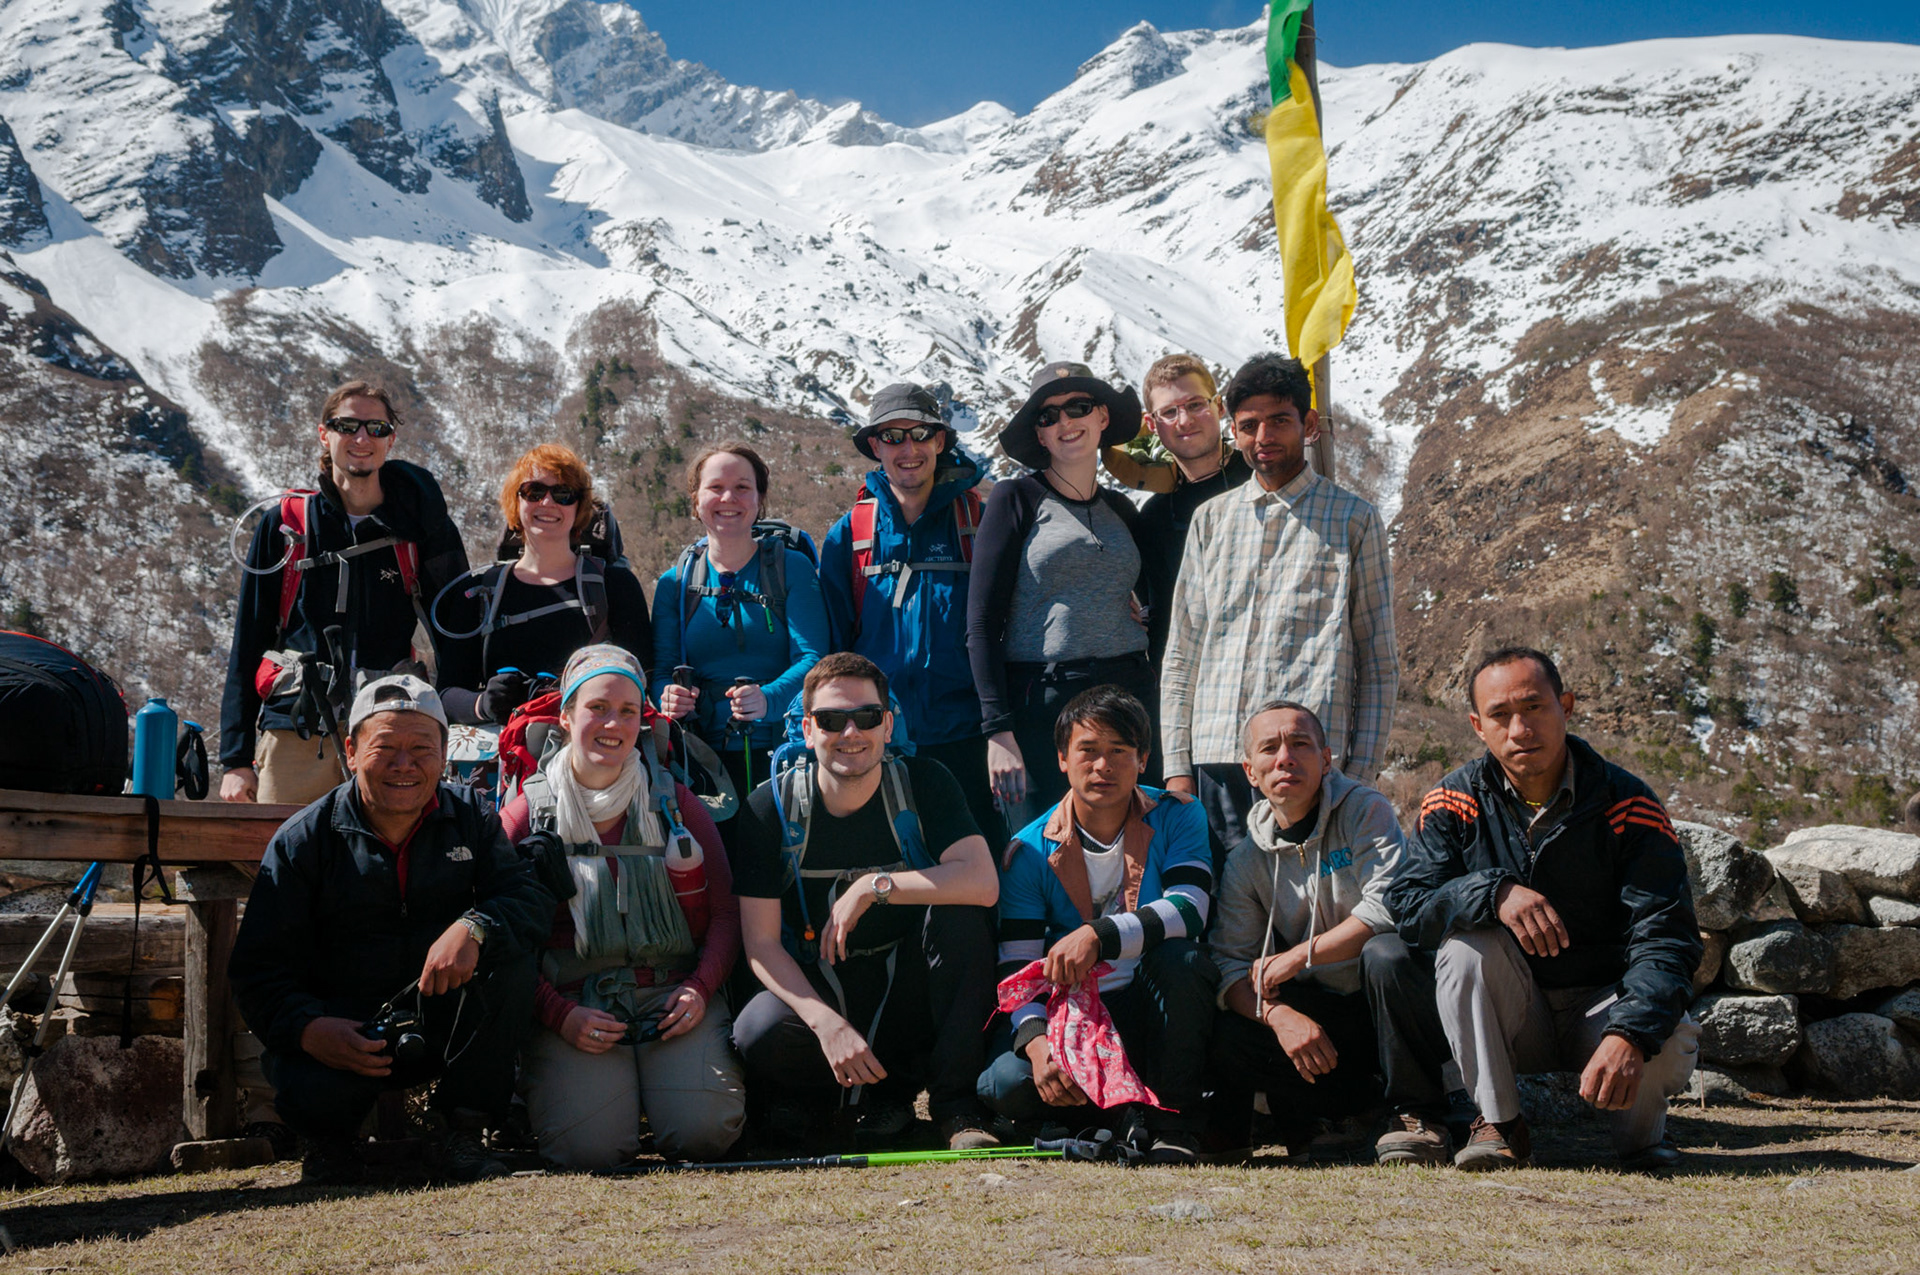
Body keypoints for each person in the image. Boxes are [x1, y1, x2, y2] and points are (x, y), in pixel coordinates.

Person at [1386, 647, 1701, 1172]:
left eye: (1534, 707)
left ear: (1567, 707)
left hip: (1602, 1007)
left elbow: (1666, 935)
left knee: (1664, 1028)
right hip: (1514, 1014)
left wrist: (1630, 1031)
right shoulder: (1452, 802)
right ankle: (1501, 1127)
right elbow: (1409, 908)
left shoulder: (1628, 804)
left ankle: (1641, 1138)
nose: (1519, 728)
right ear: (1477, 726)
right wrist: (1493, 892)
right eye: (1500, 715)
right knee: (1467, 950)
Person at [227, 675, 551, 1184]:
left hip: (440, 1017)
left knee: (509, 959)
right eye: (386, 749)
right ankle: (330, 1143)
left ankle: (463, 1132)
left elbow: (528, 900)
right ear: (352, 752)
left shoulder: (471, 817)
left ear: (444, 755)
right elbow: (257, 971)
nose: (405, 765)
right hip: (343, 1031)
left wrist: (475, 926)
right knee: (311, 1090)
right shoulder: (303, 841)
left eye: (421, 749)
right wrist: (310, 1030)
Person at [729, 652, 1001, 1150]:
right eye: (833, 720)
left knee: (962, 916)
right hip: (818, 992)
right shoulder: (771, 807)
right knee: (758, 1028)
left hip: (905, 994)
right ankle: (816, 1104)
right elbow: (760, 944)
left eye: (867, 717)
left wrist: (873, 886)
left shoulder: (926, 783)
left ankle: (953, 1109)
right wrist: (826, 1024)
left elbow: (983, 882)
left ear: (889, 725)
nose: (851, 733)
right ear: (808, 730)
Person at [496, 645, 744, 1167]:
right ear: (565, 716)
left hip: (671, 998)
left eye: (628, 711)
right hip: (575, 1002)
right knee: (590, 1150)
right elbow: (504, 939)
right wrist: (559, 1015)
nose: (613, 723)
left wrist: (700, 991)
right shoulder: (528, 814)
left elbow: (724, 913)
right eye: (597, 708)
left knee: (705, 1136)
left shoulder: (675, 803)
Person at [1160, 353, 1398, 855]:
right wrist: (1178, 771)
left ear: (1309, 425)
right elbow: (1183, 653)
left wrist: (1358, 775)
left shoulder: (1353, 521)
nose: (1263, 436)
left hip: (1307, 767)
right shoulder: (1210, 522)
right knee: (1224, 918)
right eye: (1249, 425)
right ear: (1233, 430)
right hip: (1219, 759)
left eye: (1279, 421)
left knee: (1303, 918)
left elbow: (1377, 661)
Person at [1206, 700, 1454, 1164]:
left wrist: (1299, 956)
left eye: (1300, 744)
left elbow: (1389, 906)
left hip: (1385, 1004)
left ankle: (1418, 1115)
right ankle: (1337, 1118)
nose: (1285, 758)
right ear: (1250, 771)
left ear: (1325, 760)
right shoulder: (1246, 860)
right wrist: (1280, 1017)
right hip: (1322, 1015)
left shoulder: (1366, 810)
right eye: (1269, 749)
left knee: (1388, 953)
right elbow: (1230, 964)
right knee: (1232, 1032)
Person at [977, 685, 1216, 1164]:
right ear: (1063, 759)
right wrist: (1038, 1045)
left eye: (1119, 751)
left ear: (1143, 758)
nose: (1102, 766)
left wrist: (1098, 935)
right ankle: (1112, 1113)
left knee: (1184, 959)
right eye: (1088, 750)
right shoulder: (1027, 851)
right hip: (1075, 1014)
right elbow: (1018, 966)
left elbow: (1191, 909)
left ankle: (1174, 1126)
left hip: (1151, 1005)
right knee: (1006, 1081)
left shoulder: (1180, 815)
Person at [220, 381, 469, 807]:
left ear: (391, 439)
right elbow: (249, 640)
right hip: (294, 728)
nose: (361, 438)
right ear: (324, 434)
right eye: (347, 425)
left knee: (384, 867)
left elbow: (457, 633)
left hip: (390, 733)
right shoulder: (286, 525)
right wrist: (235, 759)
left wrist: (451, 731)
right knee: (280, 860)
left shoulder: (418, 528)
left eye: (375, 427)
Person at [966, 361, 1153, 830]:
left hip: (1130, 693)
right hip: (1044, 702)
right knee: (1045, 845)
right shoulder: (1016, 498)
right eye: (1049, 417)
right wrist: (998, 731)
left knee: (1133, 840)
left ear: (1103, 418)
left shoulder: (1123, 509)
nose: (1066, 422)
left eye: (1079, 407)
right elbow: (982, 623)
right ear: (1041, 437)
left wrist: (1149, 610)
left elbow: (1152, 589)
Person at [819, 383, 1004, 849]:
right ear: (876, 446)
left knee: (974, 875)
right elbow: (833, 650)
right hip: (879, 741)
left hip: (968, 740)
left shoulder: (978, 521)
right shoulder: (851, 534)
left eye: (920, 433)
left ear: (940, 441)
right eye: (893, 436)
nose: (908, 449)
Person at [652, 443, 828, 800]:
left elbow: (814, 660)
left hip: (784, 749)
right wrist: (665, 697)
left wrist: (768, 699)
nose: (728, 497)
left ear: (759, 499)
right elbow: (660, 671)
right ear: (696, 500)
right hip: (697, 756)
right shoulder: (675, 583)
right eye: (715, 487)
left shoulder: (791, 568)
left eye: (742, 487)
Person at [434, 445, 652, 726]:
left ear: (579, 508)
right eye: (534, 492)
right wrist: (484, 703)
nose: (547, 503)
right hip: (506, 755)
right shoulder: (480, 594)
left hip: (593, 752)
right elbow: (446, 694)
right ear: (516, 502)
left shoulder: (614, 586)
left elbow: (643, 678)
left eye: (563, 494)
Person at [1127, 354, 1253, 666]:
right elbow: (1161, 624)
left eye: (1195, 404)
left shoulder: (1265, 478)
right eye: (1169, 412)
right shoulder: (1153, 520)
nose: (1184, 420)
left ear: (1219, 406)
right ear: (1152, 425)